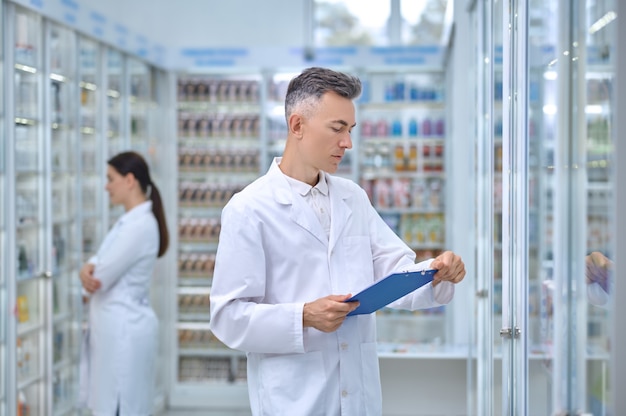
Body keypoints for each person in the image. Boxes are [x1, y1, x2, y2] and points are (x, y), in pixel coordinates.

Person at [209, 67, 466, 415]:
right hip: (295, 399)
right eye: (337, 128)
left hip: (357, 395)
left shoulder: (352, 197)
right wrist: (303, 316)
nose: (347, 143)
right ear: (297, 126)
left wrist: (435, 272)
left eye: (350, 129)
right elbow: (228, 317)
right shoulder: (249, 208)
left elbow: (394, 270)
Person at [78, 151, 169, 416]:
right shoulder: (130, 222)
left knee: (121, 407)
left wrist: (87, 271)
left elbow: (98, 276)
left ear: (129, 180)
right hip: (117, 331)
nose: (106, 186)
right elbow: (99, 262)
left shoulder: (138, 226)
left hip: (124, 333)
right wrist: (88, 266)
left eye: (110, 179)